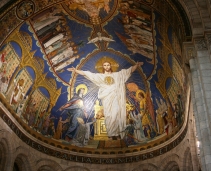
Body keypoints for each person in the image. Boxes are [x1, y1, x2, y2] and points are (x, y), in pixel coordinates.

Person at [67, 58, 143, 140]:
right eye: (105, 65)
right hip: (106, 98)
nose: (106, 67)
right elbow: (88, 74)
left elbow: (129, 71)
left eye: (108, 65)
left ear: (110, 65)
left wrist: (137, 65)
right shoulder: (100, 76)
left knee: (116, 112)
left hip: (115, 97)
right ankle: (111, 134)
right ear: (103, 67)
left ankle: (116, 133)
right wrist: (76, 70)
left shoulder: (117, 75)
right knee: (109, 115)